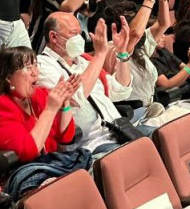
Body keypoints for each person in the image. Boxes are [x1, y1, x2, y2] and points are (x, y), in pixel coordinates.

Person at [37, 12, 133, 156]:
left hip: (121, 131)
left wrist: (122, 53)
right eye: (73, 33)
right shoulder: (42, 65)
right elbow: (76, 97)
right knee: (139, 156)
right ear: (53, 37)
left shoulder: (83, 61)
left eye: (80, 33)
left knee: (160, 137)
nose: (79, 38)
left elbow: (120, 90)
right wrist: (100, 55)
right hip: (90, 144)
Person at [0, 47, 79, 161]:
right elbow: (28, 151)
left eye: (36, 65)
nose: (35, 73)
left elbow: (65, 138)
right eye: (28, 68)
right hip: (23, 172)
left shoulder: (40, 94)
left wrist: (64, 103)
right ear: (9, 77)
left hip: (52, 164)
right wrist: (50, 110)